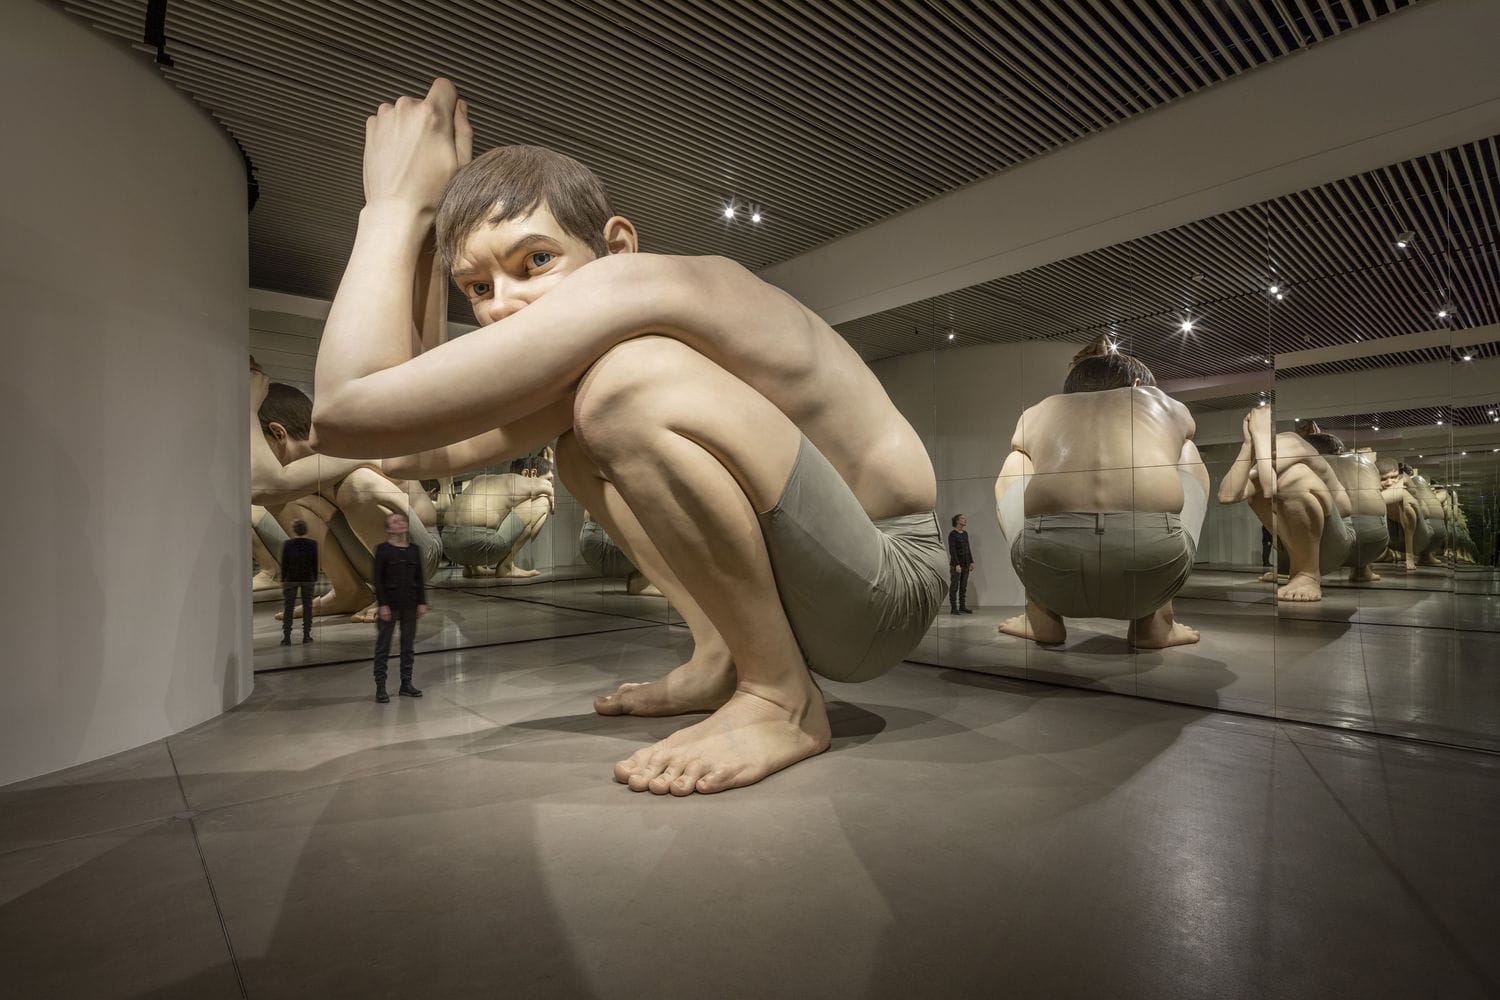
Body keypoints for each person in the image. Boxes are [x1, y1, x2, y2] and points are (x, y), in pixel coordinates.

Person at [310, 79, 947, 795]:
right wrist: (427, 234)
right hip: (833, 587)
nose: (503, 305)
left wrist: (391, 207)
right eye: (477, 288)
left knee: (622, 387)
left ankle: (781, 698)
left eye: (534, 262)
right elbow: (405, 449)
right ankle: (723, 657)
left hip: (889, 582)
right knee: (579, 440)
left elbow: (344, 408)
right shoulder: (588, 354)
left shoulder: (646, 286)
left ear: (616, 246)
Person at [995, 337, 1208, 647]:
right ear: (1139, 385)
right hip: (1153, 566)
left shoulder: (1037, 412)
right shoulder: (1165, 404)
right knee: (1185, 450)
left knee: (1018, 459)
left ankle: (1040, 617)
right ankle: (1157, 624)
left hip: (1048, 566)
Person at [1218, 408, 1352, 602]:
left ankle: (1308, 574)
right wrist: (1248, 445)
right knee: (1256, 493)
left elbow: (1269, 487)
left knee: (1293, 478)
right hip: (1289, 550)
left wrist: (1261, 438)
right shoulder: (1270, 450)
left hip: (1334, 546)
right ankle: (1298, 569)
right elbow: (1227, 495)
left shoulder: (1294, 443)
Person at [371, 512, 428, 703]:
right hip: (390, 605)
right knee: (383, 647)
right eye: (395, 522)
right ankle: (381, 687)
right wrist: (383, 604)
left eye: (402, 521)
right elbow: (377, 580)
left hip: (410, 604)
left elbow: (420, 578)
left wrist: (422, 602)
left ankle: (406, 684)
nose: (401, 523)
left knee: (408, 646)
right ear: (388, 529)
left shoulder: (414, 550)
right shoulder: (383, 550)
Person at [279, 519, 319, 644]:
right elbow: (315, 563)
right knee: (307, 607)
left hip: (291, 578)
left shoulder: (288, 544)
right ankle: (306, 636)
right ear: (305, 529)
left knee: (288, 607)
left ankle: (287, 637)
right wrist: (315, 577)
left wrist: (283, 578)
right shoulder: (312, 544)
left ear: (294, 530)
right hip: (307, 578)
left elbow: (284, 563)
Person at [947, 514, 974, 614]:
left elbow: (968, 548)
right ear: (957, 521)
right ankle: (954, 608)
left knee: (963, 586)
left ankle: (962, 606)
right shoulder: (952, 534)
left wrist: (971, 561)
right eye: (963, 518)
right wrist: (957, 564)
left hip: (966, 564)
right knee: (955, 586)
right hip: (956, 565)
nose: (965, 520)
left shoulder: (965, 534)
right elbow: (952, 550)